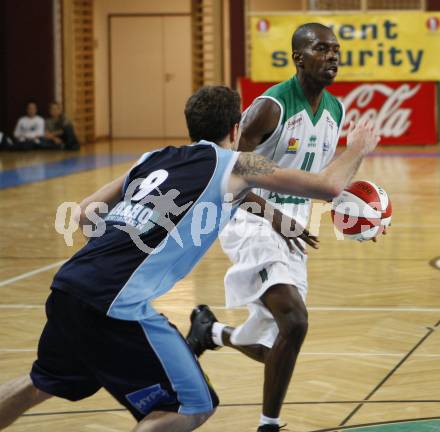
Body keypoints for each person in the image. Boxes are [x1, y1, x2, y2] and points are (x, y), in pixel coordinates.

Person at [0, 85, 379, 432]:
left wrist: (124, 237)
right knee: (192, 406)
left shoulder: (155, 158)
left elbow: (84, 213)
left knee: (39, 383)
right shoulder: (239, 164)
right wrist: (358, 146)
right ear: (236, 127)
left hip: (70, 286)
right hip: (115, 304)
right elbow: (329, 186)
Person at [186, 23, 358, 432]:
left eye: (336, 49)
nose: (332, 55)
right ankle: (269, 425)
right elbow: (228, 176)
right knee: (295, 321)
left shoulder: (336, 110)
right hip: (250, 216)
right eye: (321, 49)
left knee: (277, 345)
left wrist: (355, 206)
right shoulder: (270, 107)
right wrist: (275, 216)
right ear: (298, 57)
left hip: (294, 223)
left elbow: (317, 179)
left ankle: (211, 333)